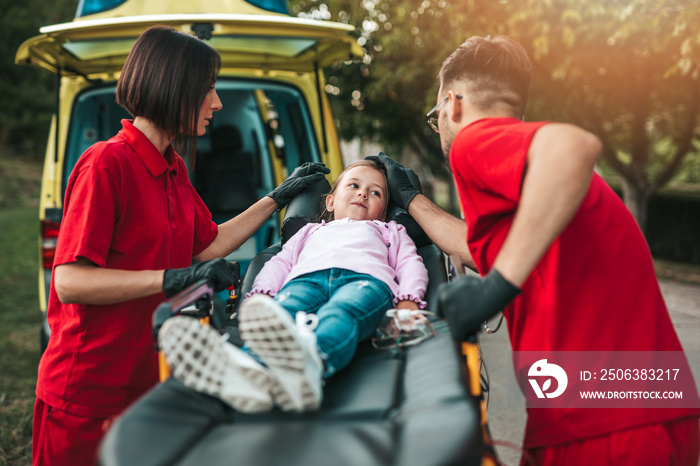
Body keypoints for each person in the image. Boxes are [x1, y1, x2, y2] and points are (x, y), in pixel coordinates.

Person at [370, 36, 700, 465]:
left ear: (452, 104)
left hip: (601, 422)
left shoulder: (474, 142)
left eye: (436, 117)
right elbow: (478, 248)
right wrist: (412, 199)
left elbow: (575, 146)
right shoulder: (535, 202)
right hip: (645, 405)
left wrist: (498, 288)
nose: (441, 129)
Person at [32, 25, 329, 466]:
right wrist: (173, 279)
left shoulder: (173, 168)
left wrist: (277, 197)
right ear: (175, 87)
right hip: (88, 391)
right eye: (208, 88)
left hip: (149, 378)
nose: (218, 102)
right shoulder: (105, 164)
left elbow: (209, 245)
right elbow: (70, 281)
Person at [158, 159, 428, 413]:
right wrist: (261, 294)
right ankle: (247, 369)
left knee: (340, 313)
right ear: (331, 202)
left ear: (383, 212)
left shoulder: (389, 231)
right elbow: (280, 264)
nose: (363, 194)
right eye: (354, 185)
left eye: (376, 193)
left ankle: (311, 365)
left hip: (365, 281)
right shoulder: (309, 232)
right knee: (282, 311)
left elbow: (410, 263)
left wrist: (408, 300)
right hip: (306, 280)